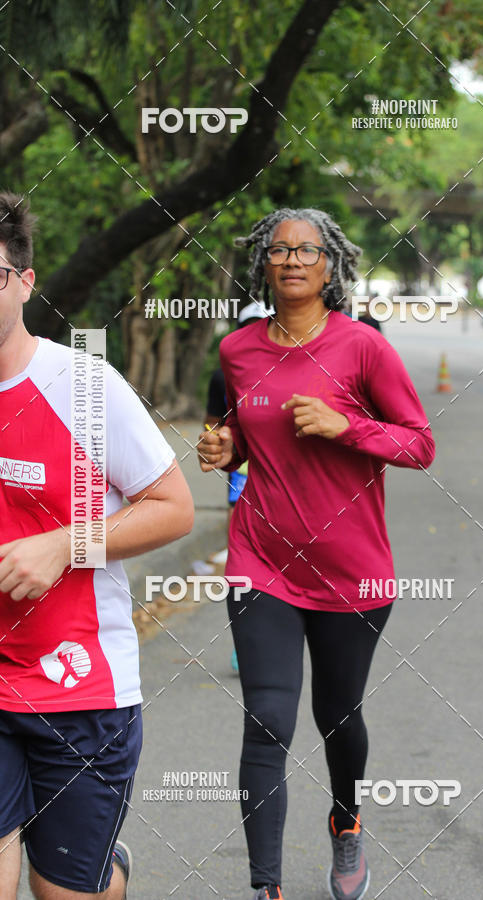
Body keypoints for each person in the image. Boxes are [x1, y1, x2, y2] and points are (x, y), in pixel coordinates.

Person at [197, 207, 435, 900]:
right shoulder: (237, 349)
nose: (293, 259)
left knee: (339, 717)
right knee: (268, 716)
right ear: (262, 263)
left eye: (308, 250)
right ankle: (265, 887)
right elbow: (240, 428)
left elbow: (418, 444)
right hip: (261, 556)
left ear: (331, 264)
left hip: (352, 570)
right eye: (280, 250)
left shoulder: (364, 348)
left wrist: (346, 425)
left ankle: (345, 817)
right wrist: (223, 448)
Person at [0, 192, 195, 900]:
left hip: (77, 687)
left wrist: (64, 545)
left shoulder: (80, 385)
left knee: (65, 892)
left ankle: (102, 873)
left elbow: (173, 508)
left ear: (25, 280)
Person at [205, 300, 273, 673]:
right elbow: (212, 426)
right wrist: (217, 445)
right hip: (242, 476)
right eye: (248, 327)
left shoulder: (291, 372)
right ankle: (243, 643)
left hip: (286, 482)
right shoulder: (223, 375)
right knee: (246, 561)